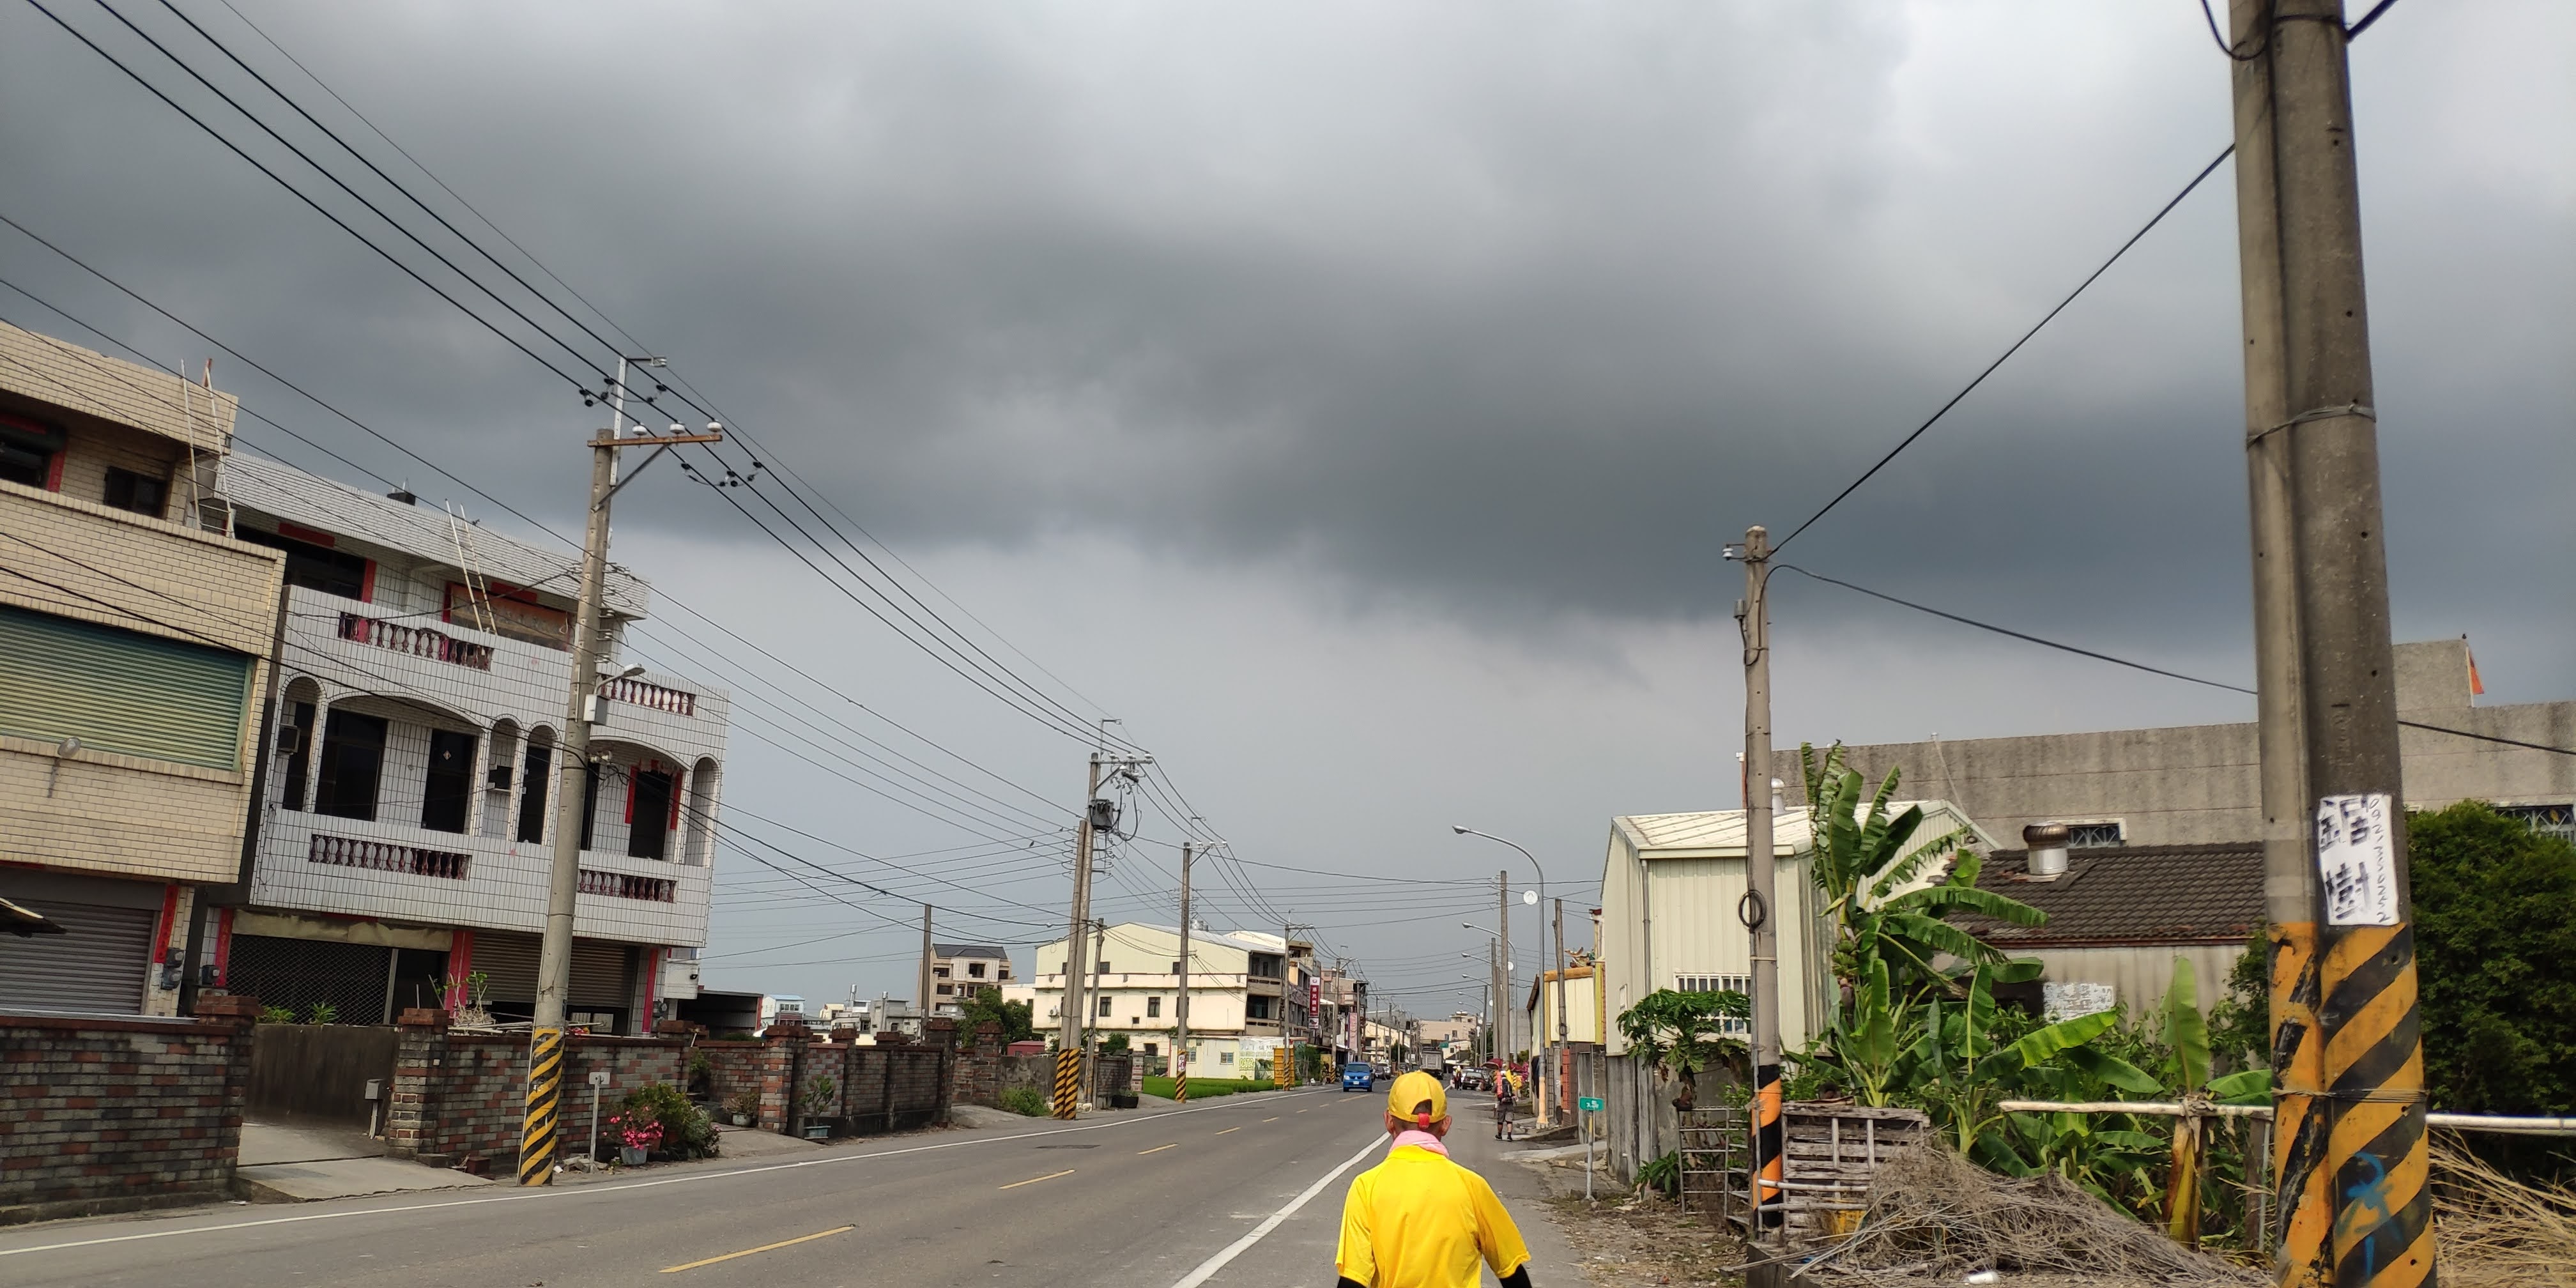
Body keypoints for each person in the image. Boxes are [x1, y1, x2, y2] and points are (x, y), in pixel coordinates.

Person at [1335, 1071, 1535, 1288]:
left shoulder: (1366, 1188)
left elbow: (1353, 1281)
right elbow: (1512, 1272)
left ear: (1389, 1121)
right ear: (1445, 1125)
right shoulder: (1472, 1187)